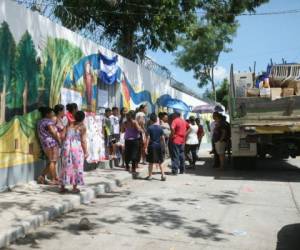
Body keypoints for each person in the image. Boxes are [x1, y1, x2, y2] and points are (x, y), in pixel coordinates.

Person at [60, 111, 88, 193]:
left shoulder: (68, 124)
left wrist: (66, 141)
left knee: (65, 166)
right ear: (83, 118)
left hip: (66, 147)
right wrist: (86, 152)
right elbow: (83, 141)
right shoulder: (82, 127)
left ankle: (62, 187)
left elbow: (62, 136)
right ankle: (74, 187)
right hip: (76, 148)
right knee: (77, 167)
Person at [37, 107, 61, 185]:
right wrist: (59, 141)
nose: (53, 114)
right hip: (51, 144)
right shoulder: (48, 122)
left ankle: (42, 177)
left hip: (45, 144)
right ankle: (54, 179)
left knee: (52, 161)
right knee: (52, 161)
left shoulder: (40, 122)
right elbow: (53, 132)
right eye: (51, 113)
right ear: (47, 114)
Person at [144, 113, 166, 181]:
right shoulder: (160, 128)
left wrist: (146, 147)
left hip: (152, 146)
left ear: (150, 120)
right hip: (159, 146)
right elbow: (163, 138)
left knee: (151, 162)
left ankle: (150, 176)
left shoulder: (149, 128)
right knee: (160, 161)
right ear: (156, 120)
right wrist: (164, 146)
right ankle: (163, 175)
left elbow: (148, 138)